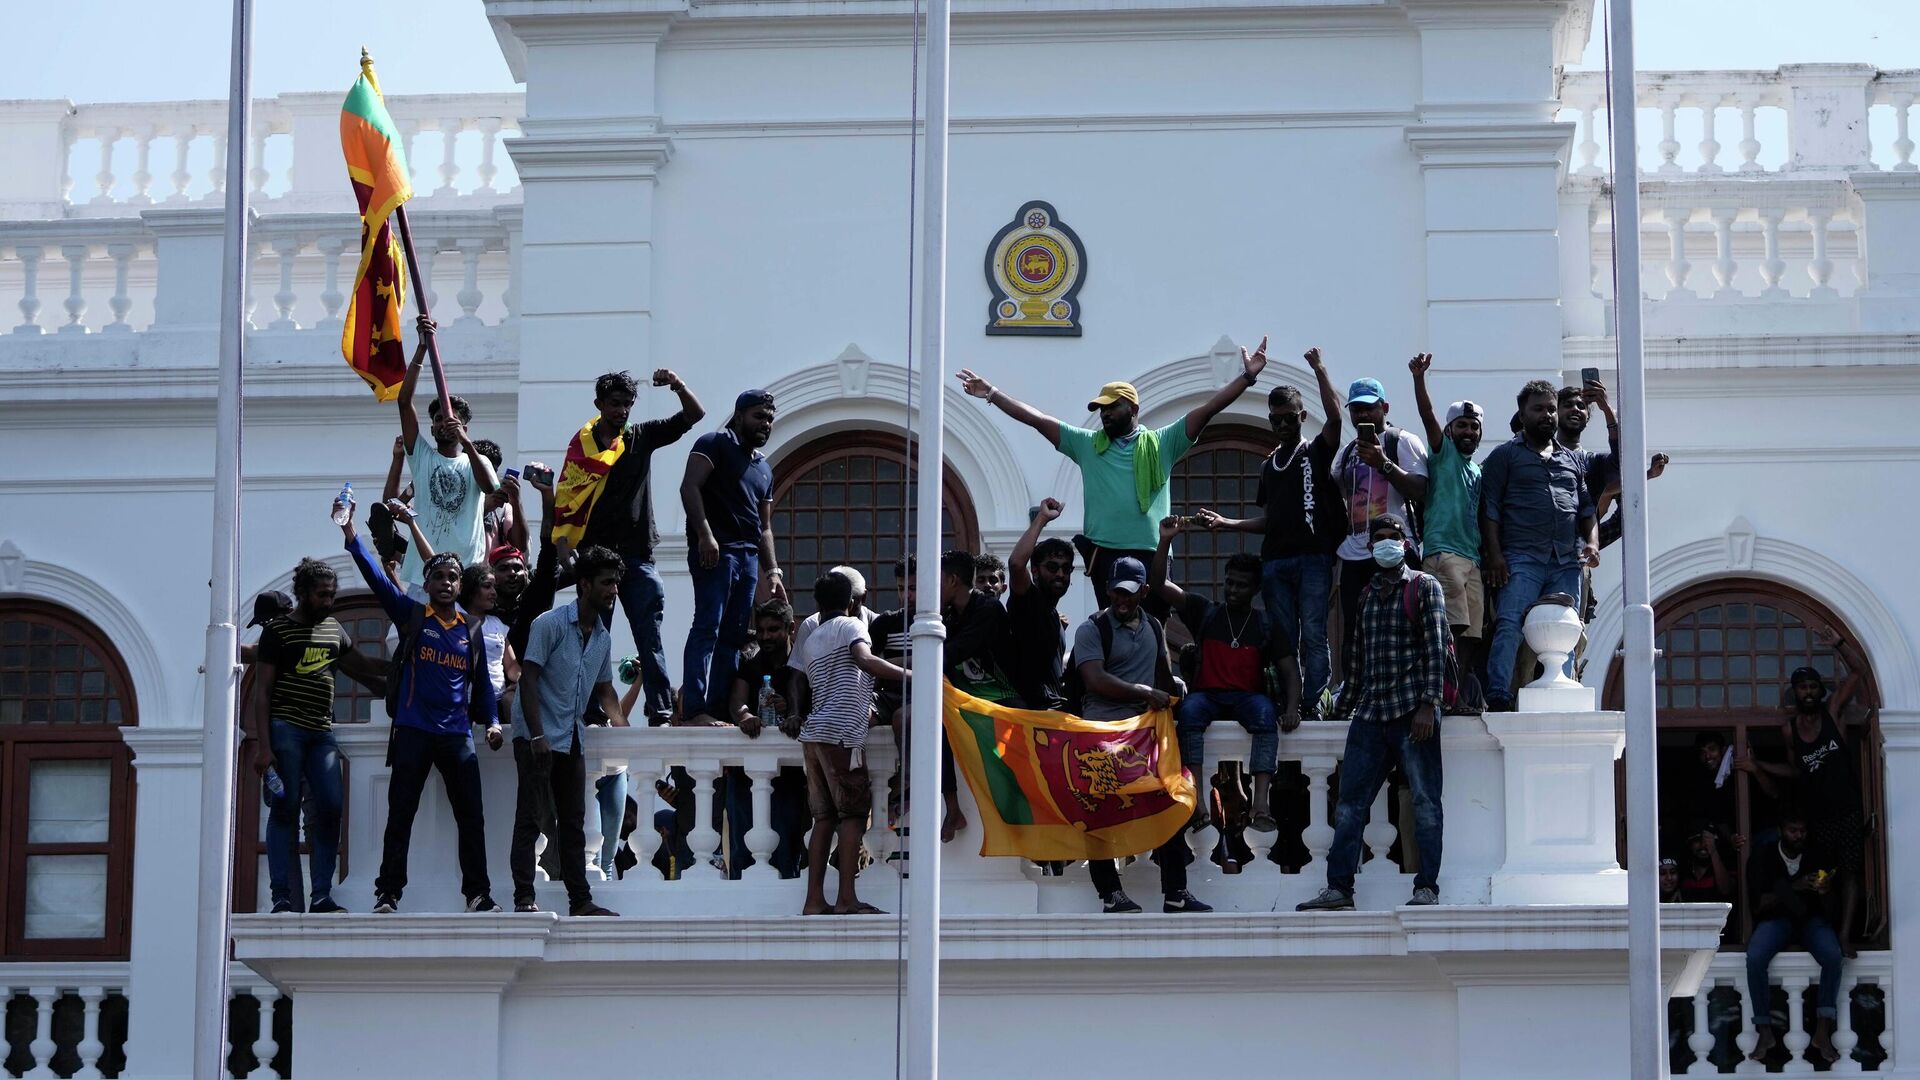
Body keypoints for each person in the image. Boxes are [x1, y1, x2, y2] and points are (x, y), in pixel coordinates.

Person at [957, 336, 1269, 616]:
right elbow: (1037, 419)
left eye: (1112, 407)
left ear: (1133, 407)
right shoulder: (1087, 444)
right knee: (1112, 631)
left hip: (1152, 555)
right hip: (1105, 556)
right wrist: (992, 394)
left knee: (1152, 631)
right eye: (1101, 408)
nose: (1104, 413)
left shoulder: (1163, 442)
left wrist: (1246, 378)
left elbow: (1209, 408)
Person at [337, 494, 504, 914]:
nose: (447, 582)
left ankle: (478, 894)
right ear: (427, 584)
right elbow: (376, 578)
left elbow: (482, 684)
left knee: (472, 817)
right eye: (439, 577)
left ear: (460, 585)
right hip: (412, 729)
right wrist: (350, 532)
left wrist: (493, 723)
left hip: (455, 734)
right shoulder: (412, 615)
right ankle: (388, 893)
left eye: (453, 577)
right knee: (401, 815)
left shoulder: (472, 628)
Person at [1299, 514, 1447, 911]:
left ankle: (1427, 886)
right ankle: (1339, 889)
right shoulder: (1365, 595)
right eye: (1378, 537)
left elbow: (1435, 649)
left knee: (1425, 802)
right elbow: (1357, 661)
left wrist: (1429, 705)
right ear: (1369, 546)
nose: (1386, 543)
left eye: (1392, 537)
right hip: (1370, 713)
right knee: (1349, 804)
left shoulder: (1423, 587)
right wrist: (1340, 709)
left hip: (1412, 712)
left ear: (1404, 542)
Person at [1193, 345, 1344, 720]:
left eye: (1288, 419)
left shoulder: (1315, 452)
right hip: (1275, 562)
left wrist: (1320, 370)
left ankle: (1313, 704)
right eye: (1275, 420)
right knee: (1283, 637)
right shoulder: (1267, 466)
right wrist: (1228, 523)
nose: (1281, 426)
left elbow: (1337, 420)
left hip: (1313, 558)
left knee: (1313, 631)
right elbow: (1270, 521)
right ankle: (1286, 698)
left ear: (1301, 416)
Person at [245, 560, 386, 913]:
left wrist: (407, 671)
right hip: (285, 729)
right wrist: (264, 748)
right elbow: (262, 693)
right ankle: (282, 897)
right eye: (322, 594)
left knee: (330, 807)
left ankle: (321, 894)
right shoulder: (277, 632)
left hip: (321, 731)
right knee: (285, 811)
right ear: (303, 593)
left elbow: (365, 669)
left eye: (332, 594)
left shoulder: (334, 629)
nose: (329, 600)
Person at [1073, 557, 1212, 914]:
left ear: (1144, 592)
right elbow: (1095, 679)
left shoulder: (1151, 624)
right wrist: (1142, 692)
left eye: (1130, 594)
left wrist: (1181, 690)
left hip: (1146, 733)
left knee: (1167, 803)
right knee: (1100, 813)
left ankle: (1176, 892)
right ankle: (1110, 893)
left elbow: (1163, 676)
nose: (1122, 600)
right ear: (1107, 590)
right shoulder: (1092, 629)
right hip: (1103, 732)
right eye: (1117, 592)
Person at [1150, 516, 1300, 832]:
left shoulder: (1267, 624)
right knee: (1189, 712)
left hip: (1248, 697)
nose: (1233, 589)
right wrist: (1165, 540)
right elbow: (1160, 585)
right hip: (1208, 695)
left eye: (1241, 585)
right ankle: (1197, 802)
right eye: (1230, 582)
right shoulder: (1206, 611)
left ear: (1255, 588)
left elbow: (1290, 670)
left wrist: (1291, 709)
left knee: (1264, 715)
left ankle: (1261, 805)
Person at [576, 369, 705, 725]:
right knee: (591, 637)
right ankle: (589, 712)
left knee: (649, 637)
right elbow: (568, 500)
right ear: (599, 404)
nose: (621, 411)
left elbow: (694, 415)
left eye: (627, 404)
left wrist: (677, 384)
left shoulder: (640, 436)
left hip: (637, 555)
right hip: (596, 558)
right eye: (614, 404)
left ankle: (660, 711)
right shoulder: (581, 447)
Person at [508, 544, 625, 917]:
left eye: (616, 583)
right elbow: (528, 679)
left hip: (572, 736)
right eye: (606, 583)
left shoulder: (604, 637)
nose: (613, 590)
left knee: (573, 823)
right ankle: (524, 897)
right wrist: (538, 735)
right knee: (529, 818)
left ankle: (581, 901)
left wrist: (624, 729)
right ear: (584, 584)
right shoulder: (550, 623)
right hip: (537, 736)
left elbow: (605, 689)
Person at [1478, 380, 1598, 712]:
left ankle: (1565, 690)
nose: (1546, 415)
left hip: (1565, 561)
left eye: (1550, 408)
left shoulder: (1572, 460)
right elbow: (1489, 511)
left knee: (1567, 626)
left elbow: (1586, 510)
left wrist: (1592, 543)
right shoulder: (1504, 456)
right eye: (1538, 408)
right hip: (1521, 558)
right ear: (1522, 413)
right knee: (1509, 621)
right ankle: (1499, 692)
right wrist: (1495, 556)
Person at [795, 572, 905, 916]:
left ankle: (814, 900)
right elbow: (865, 660)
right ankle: (847, 899)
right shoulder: (851, 626)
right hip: (841, 735)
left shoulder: (811, 638)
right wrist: (914, 674)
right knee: (854, 815)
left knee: (824, 819)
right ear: (853, 603)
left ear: (817, 603)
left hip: (813, 737)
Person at [681, 389, 786, 724]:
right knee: (707, 627)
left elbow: (764, 527)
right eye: (758, 416)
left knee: (735, 636)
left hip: (748, 558)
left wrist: (773, 572)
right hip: (717, 551)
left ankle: (717, 708)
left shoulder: (764, 469)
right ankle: (695, 709)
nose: (765, 424)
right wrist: (705, 535)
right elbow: (689, 487)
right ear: (739, 416)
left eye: (769, 418)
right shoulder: (713, 443)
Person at [1748, 666, 1870, 951]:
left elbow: (1857, 674)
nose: (1808, 692)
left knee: (1851, 872)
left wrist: (1837, 643)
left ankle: (1844, 935)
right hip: (1818, 815)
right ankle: (1821, 930)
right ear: (1796, 693)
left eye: (1813, 686)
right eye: (1802, 687)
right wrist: (1759, 765)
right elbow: (1795, 770)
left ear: (1820, 690)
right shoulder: (1789, 731)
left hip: (1848, 809)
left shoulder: (1832, 713)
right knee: (1825, 875)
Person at [386, 315, 498, 588]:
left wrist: (466, 444)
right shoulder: (422, 457)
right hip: (425, 573)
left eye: (453, 420)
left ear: (465, 428)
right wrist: (421, 348)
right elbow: (404, 402)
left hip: (467, 573)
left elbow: (490, 487)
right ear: (432, 429)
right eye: (438, 420)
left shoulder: (477, 460)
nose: (444, 424)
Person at [1329, 374, 1430, 664]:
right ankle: (1353, 692)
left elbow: (1421, 490)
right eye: (1356, 409)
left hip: (1395, 548)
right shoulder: (1348, 451)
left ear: (1384, 408)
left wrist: (1383, 463)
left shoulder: (1402, 441)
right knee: (1355, 628)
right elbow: (1333, 489)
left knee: (1402, 622)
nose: (1362, 414)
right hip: (1355, 553)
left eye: (1369, 408)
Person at [1407, 353, 1486, 699]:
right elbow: (1427, 416)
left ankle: (1458, 689)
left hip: (1472, 559)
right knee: (1449, 628)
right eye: (1462, 425)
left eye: (1474, 426)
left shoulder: (1477, 470)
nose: (1468, 431)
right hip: (1443, 554)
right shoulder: (1443, 453)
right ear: (1451, 430)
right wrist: (1419, 378)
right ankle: (1443, 688)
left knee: (1472, 632)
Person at [1745, 806, 1844, 1065]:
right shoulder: (1764, 856)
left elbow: (1833, 912)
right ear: (1781, 831)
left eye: (1802, 831)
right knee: (1755, 956)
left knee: (1833, 956)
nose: (1798, 836)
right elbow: (1758, 904)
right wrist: (1795, 887)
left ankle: (1822, 1030)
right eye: (1793, 830)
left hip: (1811, 921)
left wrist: (1825, 892)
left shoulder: (1816, 855)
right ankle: (1764, 1030)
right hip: (1777, 920)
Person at [728, 600, 810, 877]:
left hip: (791, 775)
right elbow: (737, 702)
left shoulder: (804, 664)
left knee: (789, 845)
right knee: (743, 847)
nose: (765, 637)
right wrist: (745, 717)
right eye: (761, 630)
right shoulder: (751, 661)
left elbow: (815, 706)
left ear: (791, 629)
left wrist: (794, 712)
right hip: (746, 774)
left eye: (773, 629)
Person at [1005, 499, 1075, 710]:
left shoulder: (1054, 616)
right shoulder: (1028, 600)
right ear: (1035, 571)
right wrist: (1042, 519)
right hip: (1032, 716)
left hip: (1055, 712)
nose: (1060, 574)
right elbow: (1016, 564)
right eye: (1052, 567)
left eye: (1066, 569)